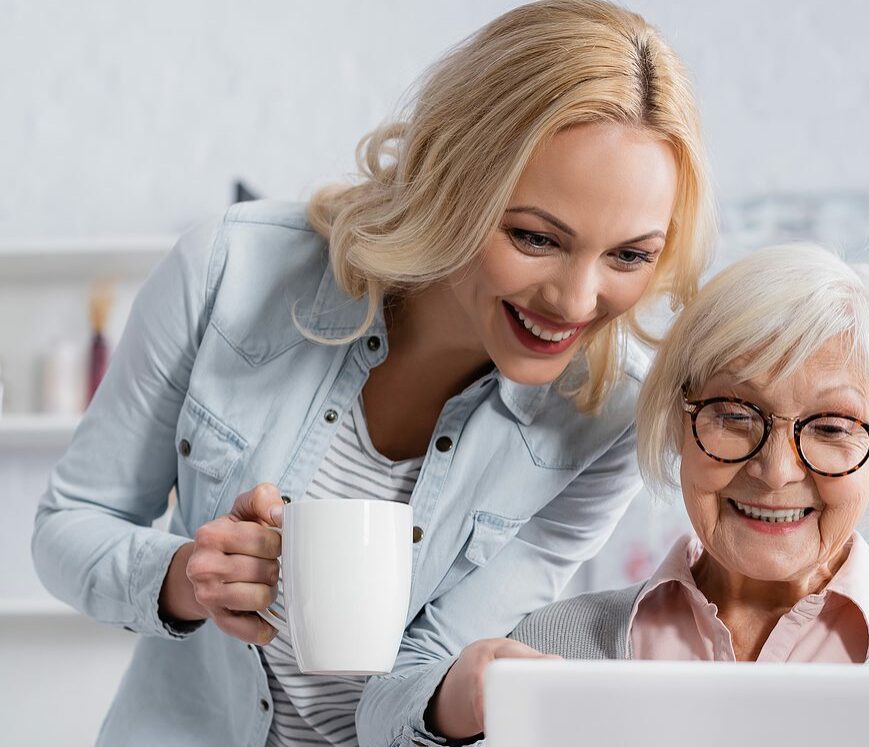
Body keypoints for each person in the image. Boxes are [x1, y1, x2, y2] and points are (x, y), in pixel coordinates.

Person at [30, 2, 714, 745]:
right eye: (534, 236)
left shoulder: (605, 420)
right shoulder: (229, 270)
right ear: (452, 177)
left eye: (631, 255)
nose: (576, 300)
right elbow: (69, 524)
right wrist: (188, 574)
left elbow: (422, 668)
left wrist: (467, 691)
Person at [432, 244, 869, 747]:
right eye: (735, 414)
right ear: (681, 421)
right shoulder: (554, 647)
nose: (775, 470)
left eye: (831, 428)